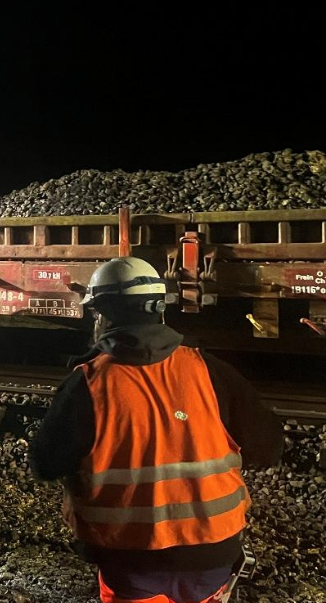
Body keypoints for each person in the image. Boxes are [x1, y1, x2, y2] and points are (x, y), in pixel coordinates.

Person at [30, 256, 283, 603]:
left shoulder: (88, 385)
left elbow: (44, 464)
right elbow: (269, 447)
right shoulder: (209, 370)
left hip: (131, 561)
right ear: (159, 310)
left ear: (102, 315)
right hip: (213, 555)